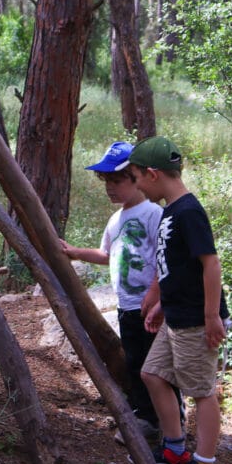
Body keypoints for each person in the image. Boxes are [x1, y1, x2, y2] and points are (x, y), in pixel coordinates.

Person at [128, 135, 229, 464]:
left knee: (201, 392)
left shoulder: (188, 211)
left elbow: (210, 263)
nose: (136, 185)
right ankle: (174, 451)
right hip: (176, 316)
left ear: (153, 174)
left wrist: (212, 315)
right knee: (152, 373)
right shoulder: (172, 210)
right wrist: (160, 303)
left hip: (196, 321)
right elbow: (178, 268)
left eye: (137, 177)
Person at [60, 141, 164, 440]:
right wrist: (76, 252)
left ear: (137, 177)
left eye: (117, 180)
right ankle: (143, 415)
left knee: (153, 364)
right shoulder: (116, 219)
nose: (110, 188)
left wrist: (155, 295)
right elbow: (106, 254)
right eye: (107, 181)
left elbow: (163, 255)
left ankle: (161, 421)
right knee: (134, 361)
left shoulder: (152, 214)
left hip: (148, 305)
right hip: (126, 304)